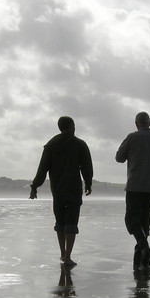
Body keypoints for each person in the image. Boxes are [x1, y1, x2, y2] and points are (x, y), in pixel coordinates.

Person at [30, 115, 93, 268]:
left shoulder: (50, 146)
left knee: (60, 222)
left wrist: (34, 187)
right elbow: (87, 167)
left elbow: (42, 169)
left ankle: (62, 252)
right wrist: (88, 183)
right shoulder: (79, 144)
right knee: (71, 222)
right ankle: (68, 256)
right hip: (73, 190)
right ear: (71, 126)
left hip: (57, 191)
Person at [115, 111, 150, 271]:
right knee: (145, 224)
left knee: (132, 222)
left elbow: (119, 157)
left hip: (135, 186)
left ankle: (144, 247)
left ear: (136, 124)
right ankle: (141, 262)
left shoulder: (132, 137)